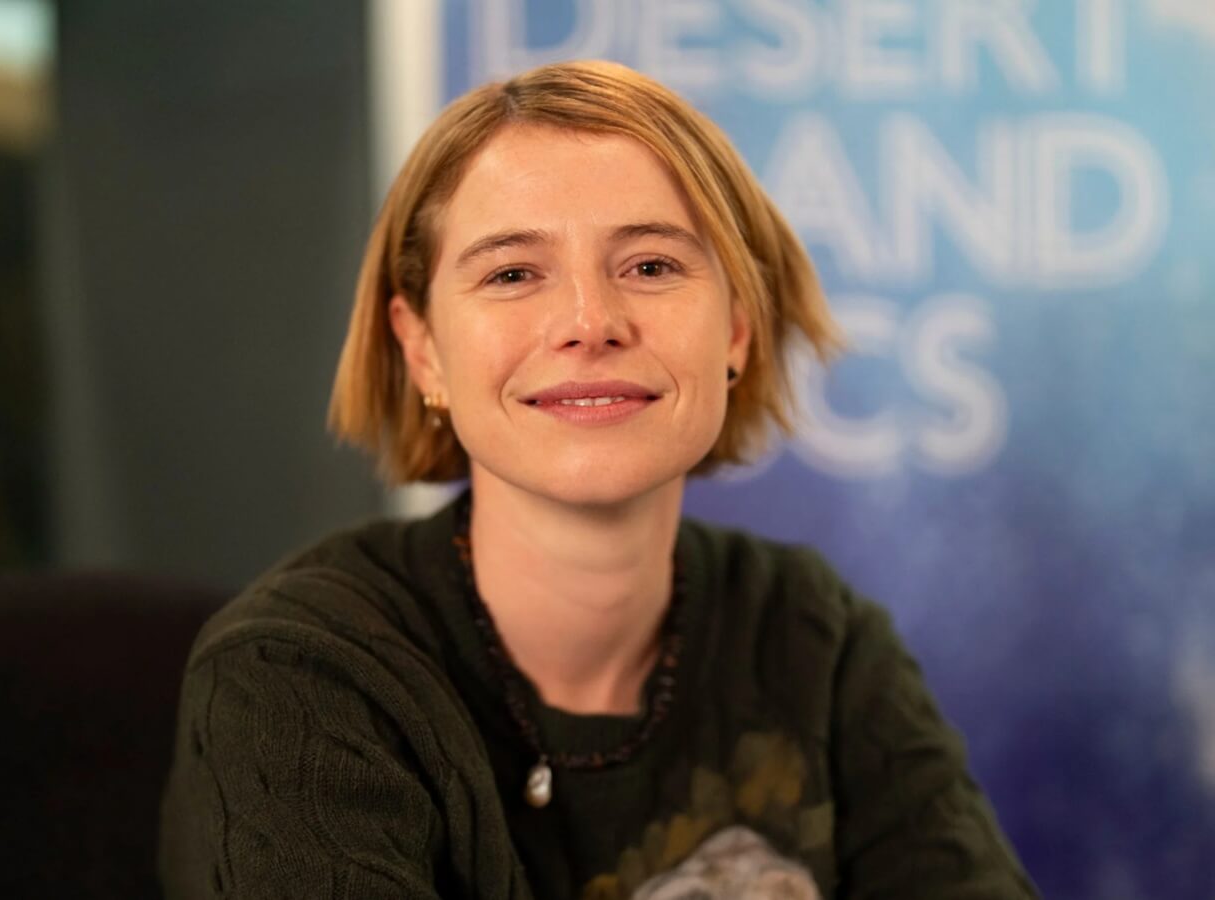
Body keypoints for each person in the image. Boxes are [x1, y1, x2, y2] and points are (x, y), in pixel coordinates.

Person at [159, 60, 1039, 899]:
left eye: (651, 265)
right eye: (512, 273)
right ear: (423, 346)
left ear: (735, 329)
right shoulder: (301, 676)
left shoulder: (814, 637)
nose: (589, 323)